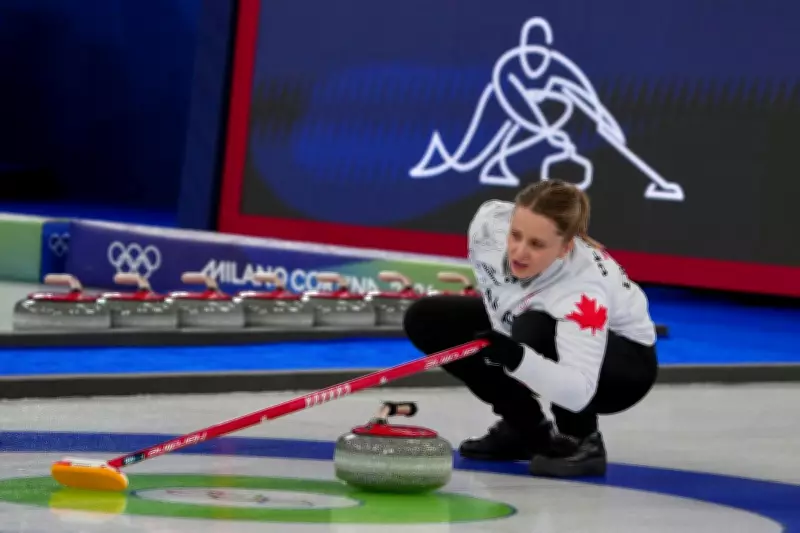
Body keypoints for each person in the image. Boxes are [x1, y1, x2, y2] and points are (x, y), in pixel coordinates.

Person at [403, 179, 658, 478]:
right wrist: (505, 347)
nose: (519, 252)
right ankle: (524, 429)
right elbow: (497, 296)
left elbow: (578, 391)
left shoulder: (582, 291)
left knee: (534, 327)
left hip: (624, 370)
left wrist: (515, 357)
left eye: (536, 244)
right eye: (516, 235)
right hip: (530, 319)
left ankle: (580, 438)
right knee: (427, 318)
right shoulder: (488, 224)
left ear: (564, 248)